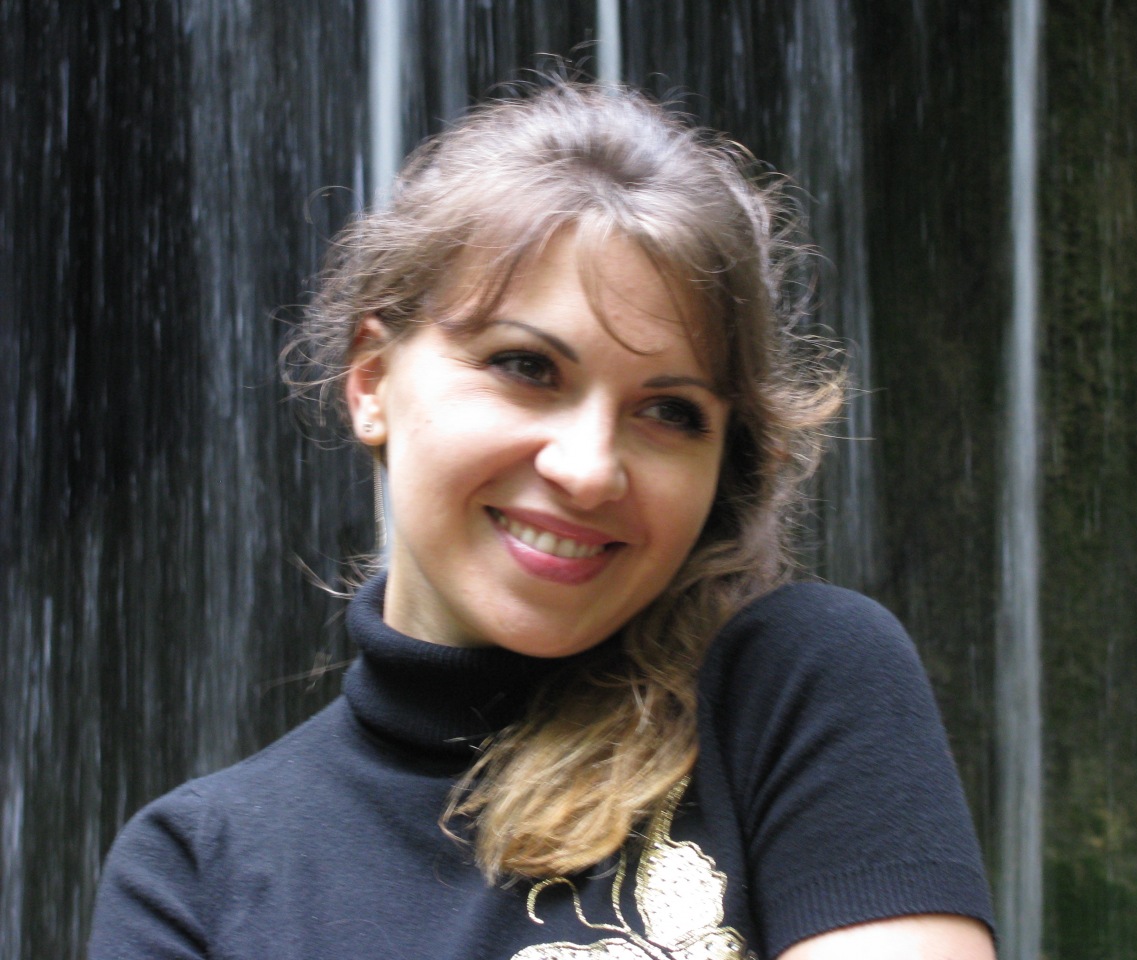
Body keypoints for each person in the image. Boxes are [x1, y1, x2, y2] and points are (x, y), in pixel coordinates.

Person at [89, 79, 996, 960]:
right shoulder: (195, 871)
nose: (590, 470)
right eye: (526, 367)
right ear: (370, 381)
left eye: (669, 411)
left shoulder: (795, 688)